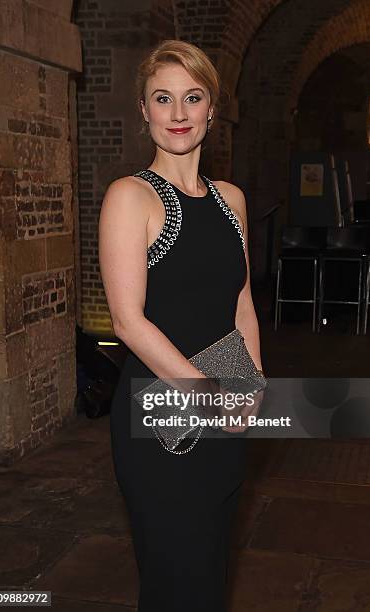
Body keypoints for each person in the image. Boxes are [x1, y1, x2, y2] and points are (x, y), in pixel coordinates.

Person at [98, 38, 264, 612]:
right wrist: (210, 397)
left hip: (226, 409)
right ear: (143, 110)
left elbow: (241, 300)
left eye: (191, 98)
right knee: (176, 580)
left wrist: (252, 385)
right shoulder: (131, 198)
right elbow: (126, 320)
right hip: (161, 414)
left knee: (210, 574)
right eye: (162, 98)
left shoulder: (232, 200)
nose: (177, 114)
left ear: (211, 109)